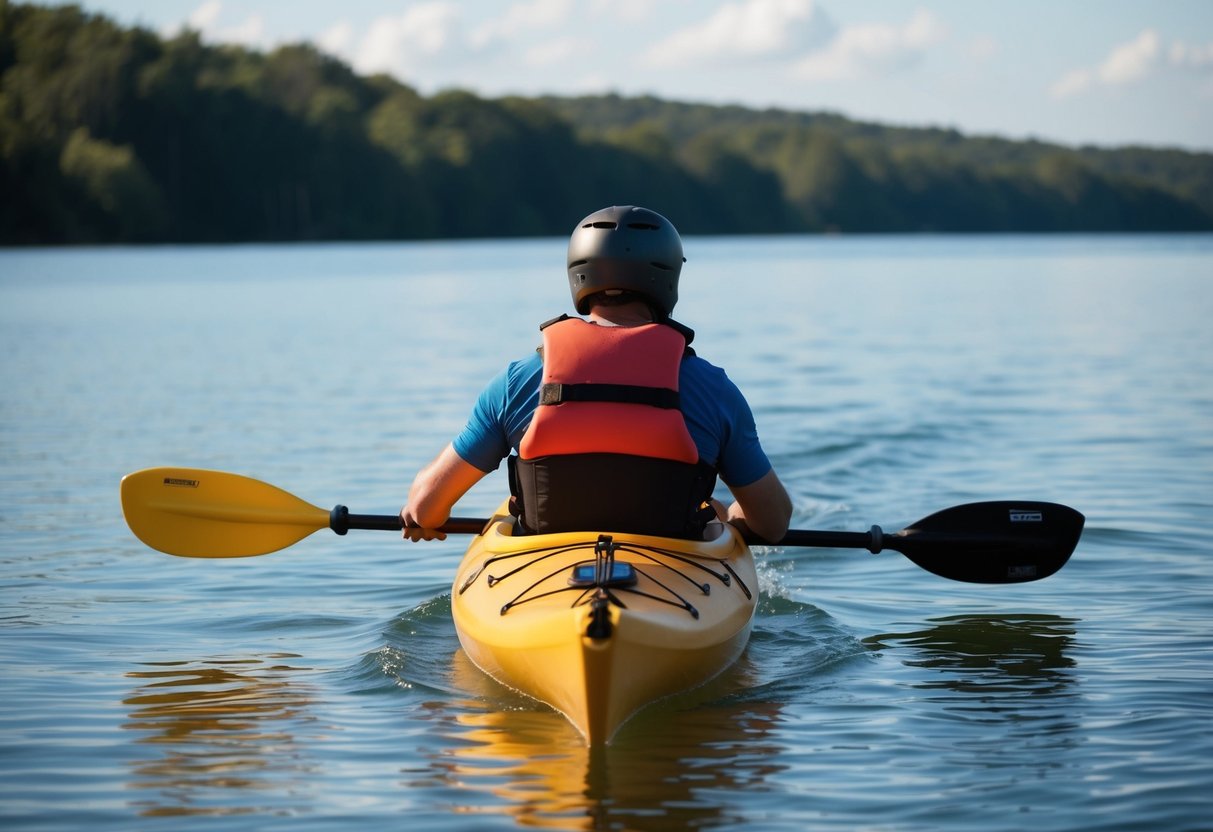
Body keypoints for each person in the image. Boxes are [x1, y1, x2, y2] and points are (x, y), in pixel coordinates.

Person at [400, 205, 792, 544]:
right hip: (674, 570)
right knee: (718, 511)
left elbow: (425, 508)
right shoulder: (713, 388)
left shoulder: (516, 382)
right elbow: (773, 524)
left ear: (579, 273)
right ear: (667, 277)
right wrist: (730, 518)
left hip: (543, 573)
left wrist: (425, 508)